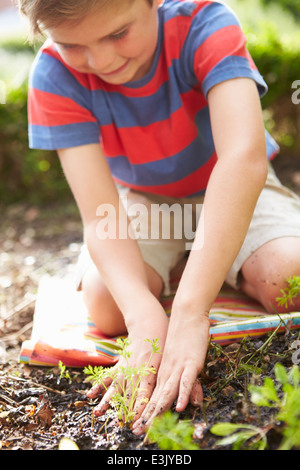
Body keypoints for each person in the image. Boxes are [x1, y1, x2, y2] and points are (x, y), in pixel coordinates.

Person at [18, 0, 300, 435]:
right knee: (108, 306)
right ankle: (205, 261)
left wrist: (190, 311)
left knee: (290, 280)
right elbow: (101, 216)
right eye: (73, 44)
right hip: (148, 200)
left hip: (235, 188)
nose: (102, 60)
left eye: (117, 34)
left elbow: (242, 160)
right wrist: (145, 321)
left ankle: (202, 265)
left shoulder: (205, 24)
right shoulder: (54, 74)